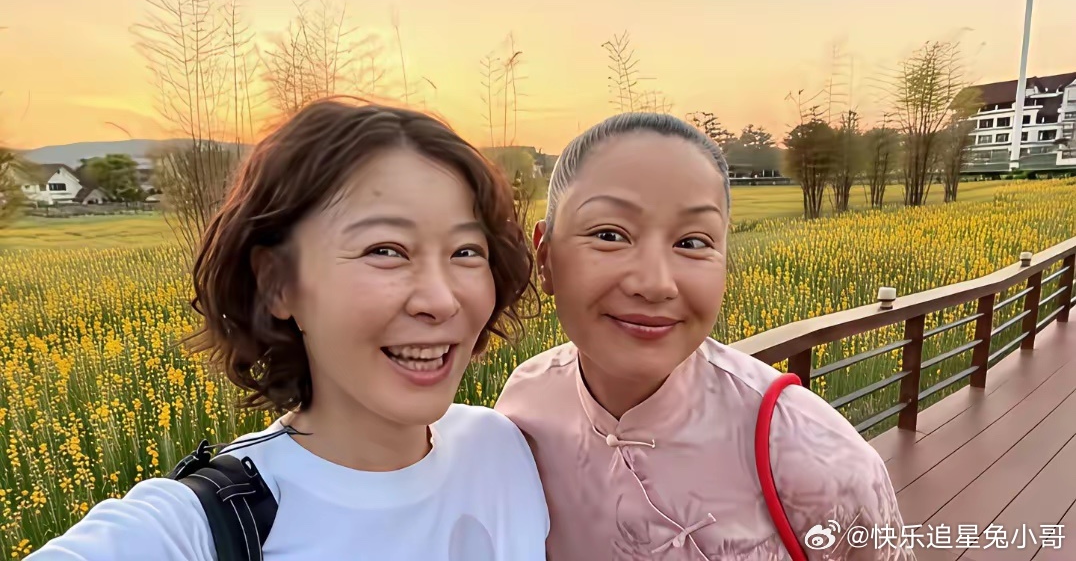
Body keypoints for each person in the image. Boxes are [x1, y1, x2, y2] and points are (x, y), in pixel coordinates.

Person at [28, 99, 549, 561]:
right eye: (385, 250)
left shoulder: (499, 447)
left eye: (466, 251)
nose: (440, 300)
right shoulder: (206, 527)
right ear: (277, 283)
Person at [494, 112, 912, 560]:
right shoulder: (523, 410)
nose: (655, 284)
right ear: (545, 258)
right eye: (610, 235)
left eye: (692, 243)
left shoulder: (816, 456)